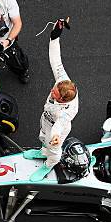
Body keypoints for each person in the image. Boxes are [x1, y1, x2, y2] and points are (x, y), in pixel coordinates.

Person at [26, 18, 78, 181]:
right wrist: (55, 35)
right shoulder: (63, 81)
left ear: (62, 100)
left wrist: (55, 137)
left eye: (54, 93)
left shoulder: (66, 113)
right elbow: (56, 60)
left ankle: (48, 165)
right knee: (43, 137)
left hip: (57, 129)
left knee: (53, 149)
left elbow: (59, 126)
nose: (51, 91)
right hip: (46, 119)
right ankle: (43, 152)